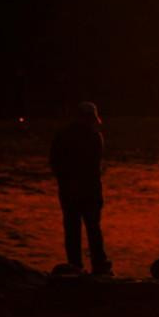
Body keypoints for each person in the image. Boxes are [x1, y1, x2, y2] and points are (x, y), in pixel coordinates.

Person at [49, 102, 111, 275]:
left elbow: (54, 162)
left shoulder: (62, 135)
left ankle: (75, 265)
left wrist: (64, 180)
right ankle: (99, 265)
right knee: (93, 228)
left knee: (72, 229)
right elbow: (94, 167)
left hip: (69, 190)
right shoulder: (95, 137)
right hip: (89, 190)